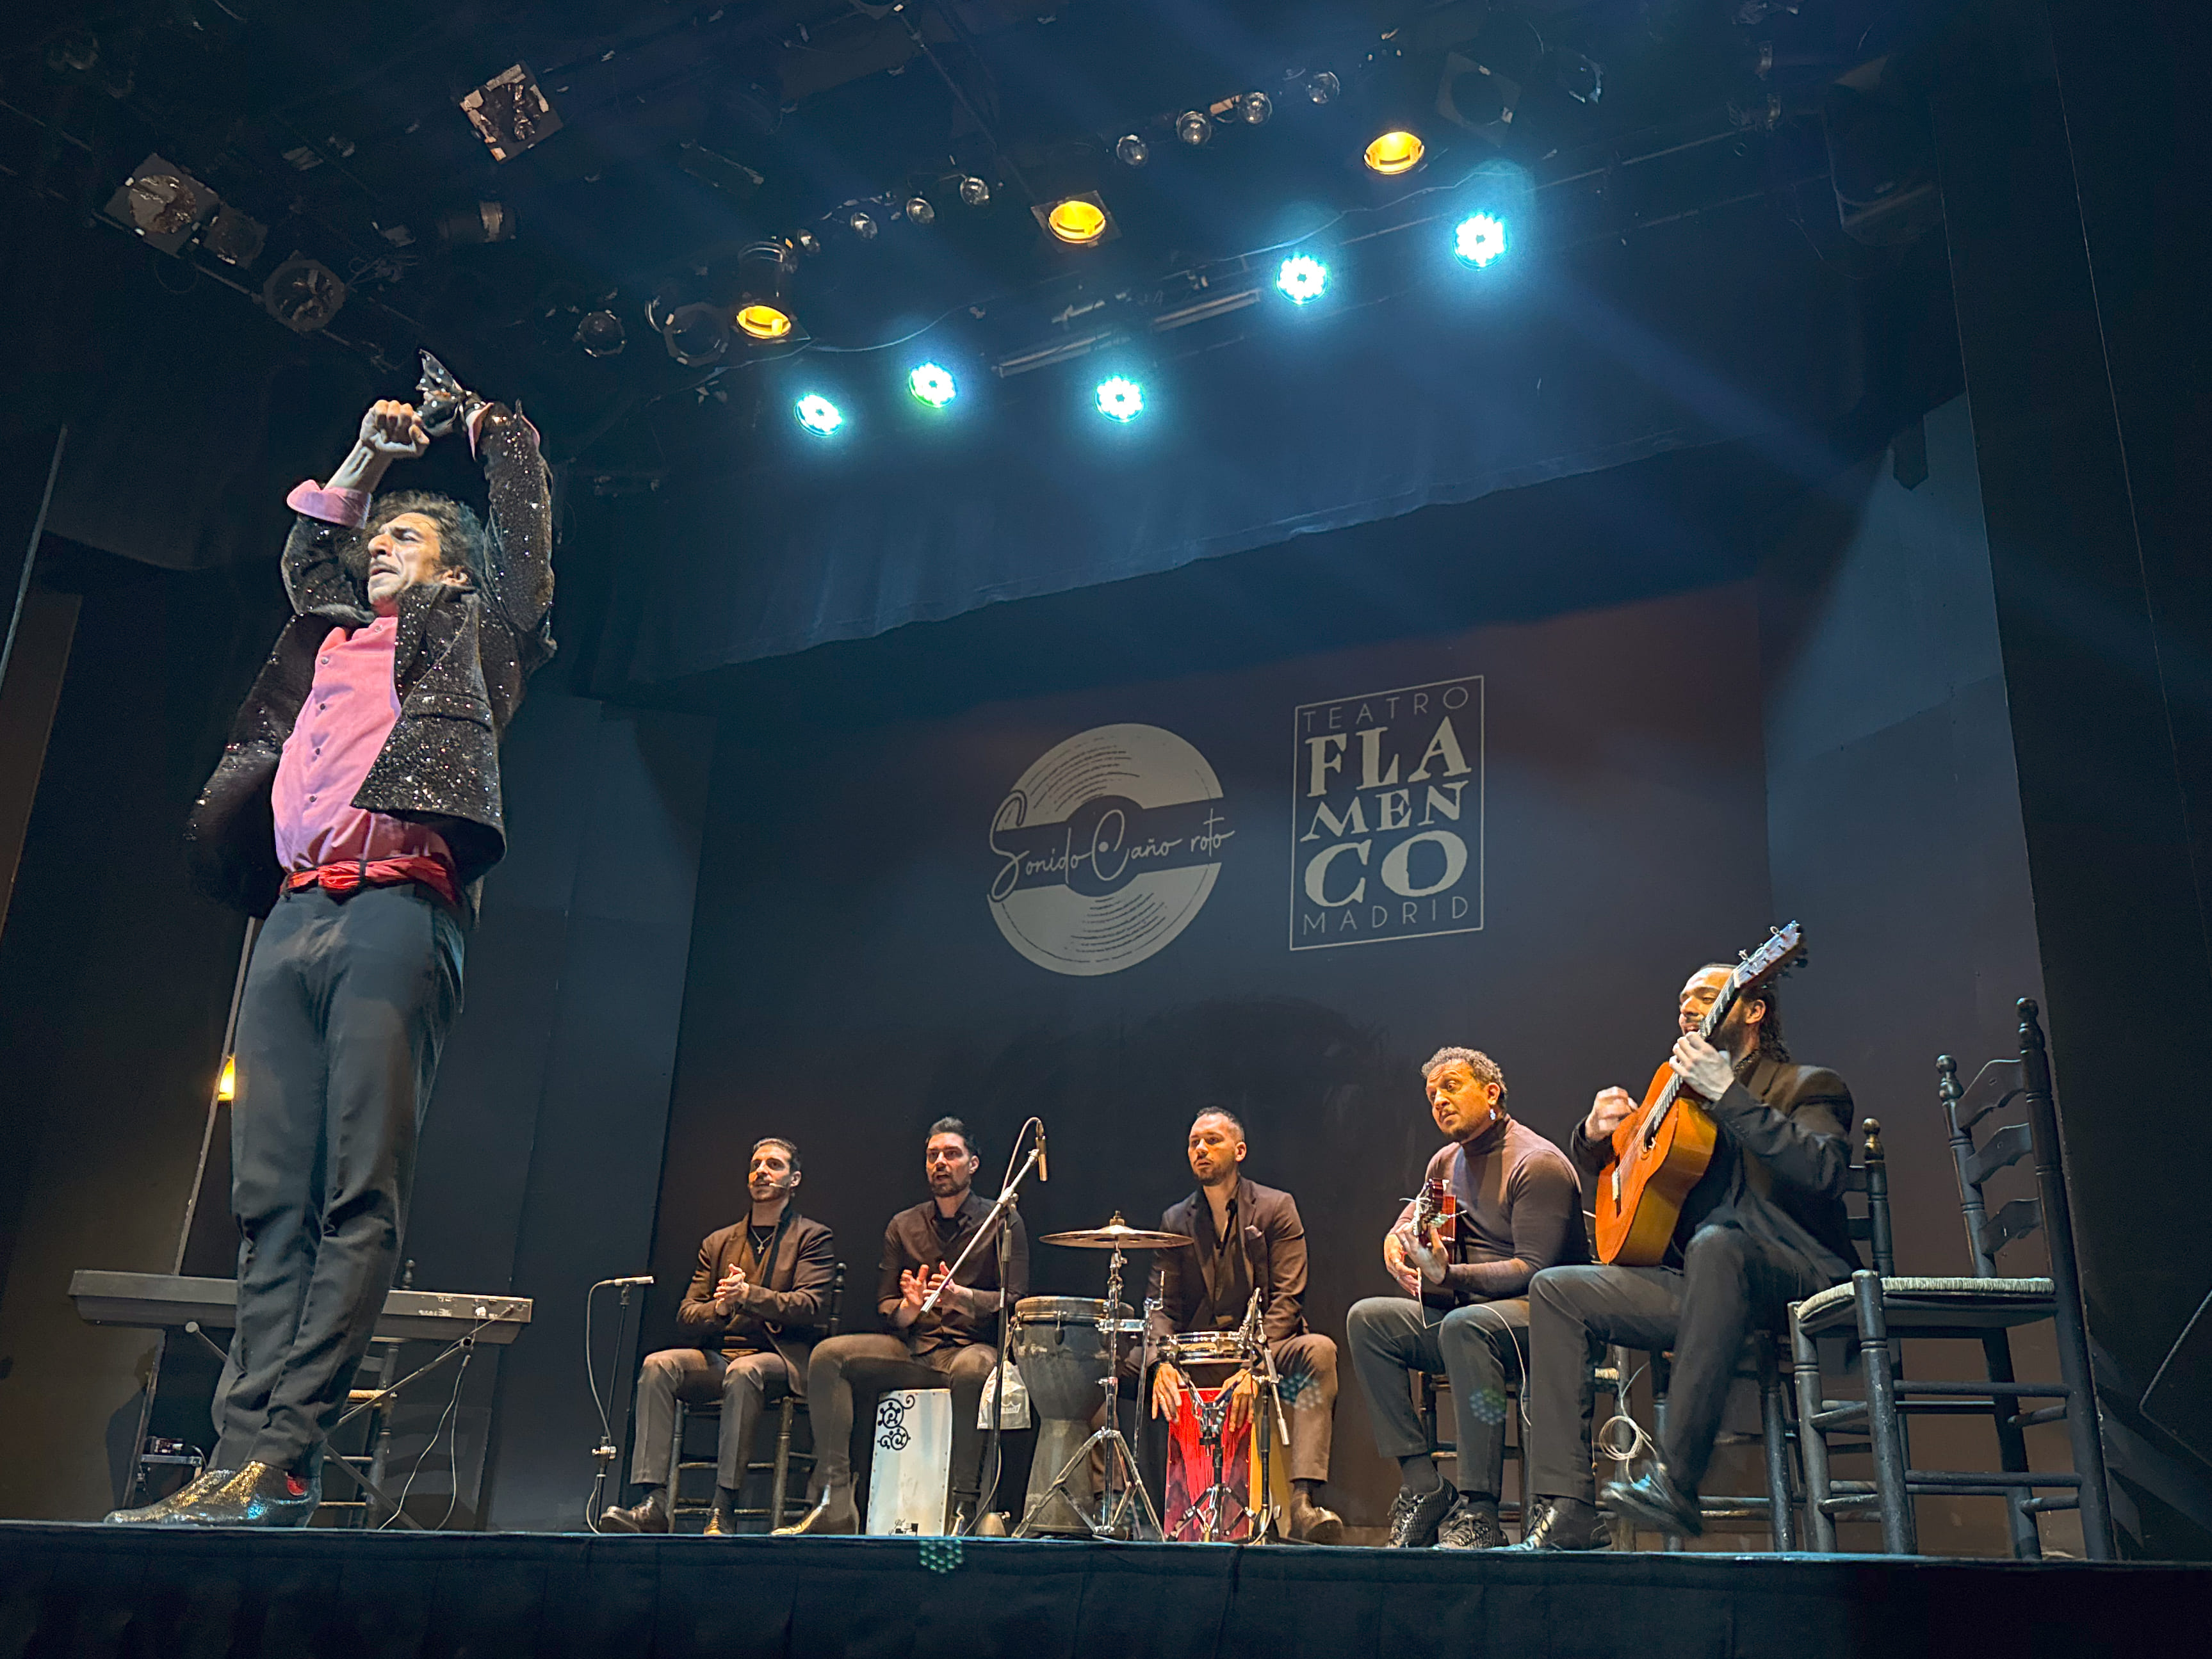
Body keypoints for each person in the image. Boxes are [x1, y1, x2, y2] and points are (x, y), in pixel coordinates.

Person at [108, 358, 555, 1527]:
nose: (379, 548)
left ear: (454, 567)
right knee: (266, 1197)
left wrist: (485, 425)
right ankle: (243, 1457)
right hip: (297, 909)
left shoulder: (475, 635)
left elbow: (524, 537)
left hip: (398, 909)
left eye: (404, 535)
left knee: (355, 1189)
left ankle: (283, 1452)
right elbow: (309, 556)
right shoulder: (329, 642)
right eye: (380, 535)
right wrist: (364, 458)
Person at [1511, 964, 1857, 1549]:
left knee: (1718, 1243)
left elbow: (1824, 1170)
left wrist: (1731, 1095)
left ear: (1753, 1010)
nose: (1687, 1010)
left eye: (1706, 997)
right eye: (1681, 1002)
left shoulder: (1808, 1085)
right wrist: (1595, 1137)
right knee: (1556, 1289)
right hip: (1704, 1286)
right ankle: (1568, 1504)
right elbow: (1636, 1165)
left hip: (1795, 1277)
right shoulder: (1679, 1103)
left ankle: (1677, 1480)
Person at [1345, 1048, 1586, 1550]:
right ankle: (1423, 1486)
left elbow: (1535, 1271)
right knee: (1368, 1319)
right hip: (1469, 1317)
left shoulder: (1536, 1162)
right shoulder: (1445, 1161)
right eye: (1432, 1093)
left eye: (1451, 1086)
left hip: (1539, 1323)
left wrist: (1449, 1274)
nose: (1439, 1099)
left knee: (1465, 1325)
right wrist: (1395, 1241)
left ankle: (1480, 1512)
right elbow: (1416, 1220)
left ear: (1492, 1092)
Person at [777, 1118, 1028, 1535]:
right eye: (933, 1155)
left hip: (971, 1348)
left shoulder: (1003, 1220)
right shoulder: (903, 1224)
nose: (941, 1163)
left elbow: (1014, 1300)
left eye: (952, 1154)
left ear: (974, 1163)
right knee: (828, 1356)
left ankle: (963, 1508)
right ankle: (836, 1501)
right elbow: (886, 1305)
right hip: (915, 1348)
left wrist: (960, 1297)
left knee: (972, 1370)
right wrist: (911, 1307)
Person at [600, 1137, 836, 1535]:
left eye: (774, 1165)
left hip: (778, 1357)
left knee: (745, 1374)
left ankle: (723, 1508)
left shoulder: (812, 1237)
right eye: (756, 1164)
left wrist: (750, 1297)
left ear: (794, 1179)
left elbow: (811, 1305)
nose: (762, 1171)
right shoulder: (718, 1242)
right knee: (658, 1366)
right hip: (721, 1356)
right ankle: (654, 1503)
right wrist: (721, 1308)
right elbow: (688, 1314)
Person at [1144, 1109, 1344, 1544]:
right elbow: (1161, 1305)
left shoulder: (1276, 1207)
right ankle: (1124, 1504)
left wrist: (1255, 1364)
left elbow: (1289, 1297)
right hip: (1197, 1359)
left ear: (1239, 1151)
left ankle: (1303, 1504)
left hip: (1264, 1356)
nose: (1200, 1149)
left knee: (1319, 1351)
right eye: (1194, 1142)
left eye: (1212, 1140)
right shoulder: (1175, 1220)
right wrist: (1162, 1361)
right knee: (1108, 1366)